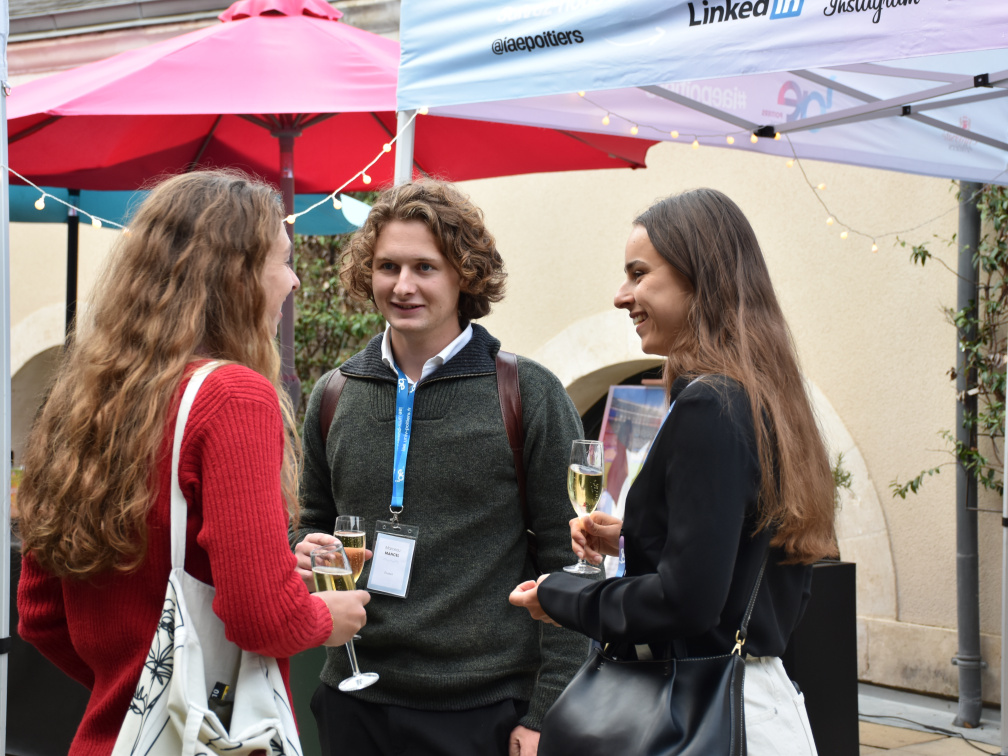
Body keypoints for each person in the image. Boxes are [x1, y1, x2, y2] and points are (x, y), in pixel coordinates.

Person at [15, 169, 370, 756]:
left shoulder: (85, 399)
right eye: (283, 260)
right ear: (236, 275)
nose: (294, 279)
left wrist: (141, 691)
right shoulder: (233, 397)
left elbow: (39, 614)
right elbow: (264, 621)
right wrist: (327, 617)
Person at [510, 188, 837, 755]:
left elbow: (685, 602)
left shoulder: (709, 404)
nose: (622, 296)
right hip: (760, 704)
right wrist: (638, 537)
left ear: (699, 278)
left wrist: (562, 596)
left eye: (639, 274)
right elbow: (751, 562)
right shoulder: (765, 399)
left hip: (708, 713)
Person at [292, 179, 589, 756]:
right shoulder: (334, 394)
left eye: (424, 267)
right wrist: (302, 550)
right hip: (352, 700)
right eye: (388, 266)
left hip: (485, 711)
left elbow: (571, 563)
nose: (402, 286)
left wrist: (546, 712)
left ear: (465, 275)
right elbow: (308, 524)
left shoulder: (526, 392)